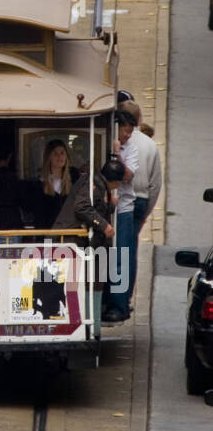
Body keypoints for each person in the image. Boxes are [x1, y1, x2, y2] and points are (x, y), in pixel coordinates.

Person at [54, 160, 122, 335]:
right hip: (70, 241)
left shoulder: (98, 183)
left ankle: (90, 328)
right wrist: (105, 225)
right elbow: (82, 207)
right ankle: (84, 329)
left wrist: (110, 205)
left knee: (92, 282)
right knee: (79, 284)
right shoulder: (93, 183)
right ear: (116, 182)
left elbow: (97, 207)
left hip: (80, 243)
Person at [121, 100, 162, 293]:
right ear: (139, 119)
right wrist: (147, 211)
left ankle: (118, 295)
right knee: (131, 249)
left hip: (124, 200)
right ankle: (127, 294)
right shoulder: (150, 145)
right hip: (142, 200)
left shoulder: (123, 140)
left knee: (121, 249)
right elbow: (155, 183)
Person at [102, 109, 139, 322]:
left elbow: (126, 174)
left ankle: (119, 305)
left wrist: (117, 155)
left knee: (121, 255)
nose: (127, 136)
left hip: (123, 207)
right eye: (125, 132)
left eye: (130, 132)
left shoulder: (131, 149)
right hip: (104, 208)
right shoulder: (107, 142)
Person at [30, 139, 79, 229]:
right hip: (48, 234)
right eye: (55, 154)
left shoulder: (74, 177)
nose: (60, 157)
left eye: (62, 153)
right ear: (49, 157)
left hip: (70, 234)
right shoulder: (39, 183)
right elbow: (39, 214)